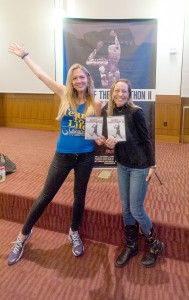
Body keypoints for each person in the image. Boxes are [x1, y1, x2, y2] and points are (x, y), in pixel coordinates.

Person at [7, 42, 105, 266]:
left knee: (79, 197)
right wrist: (25, 56)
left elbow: (95, 132)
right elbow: (41, 75)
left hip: (86, 157)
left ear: (89, 79)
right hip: (62, 156)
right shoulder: (63, 94)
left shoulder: (96, 103)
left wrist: (99, 138)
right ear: (71, 81)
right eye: (75, 78)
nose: (79, 81)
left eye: (83, 78)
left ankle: (73, 232)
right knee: (45, 196)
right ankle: (22, 237)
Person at [105, 79, 164, 268]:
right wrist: (110, 144)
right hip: (122, 165)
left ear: (129, 94)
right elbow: (116, 139)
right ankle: (131, 246)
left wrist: (152, 165)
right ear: (113, 92)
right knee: (125, 208)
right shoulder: (111, 112)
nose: (120, 94)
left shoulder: (136, 112)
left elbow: (147, 140)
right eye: (117, 91)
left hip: (139, 166)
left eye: (124, 91)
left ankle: (155, 245)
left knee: (136, 208)